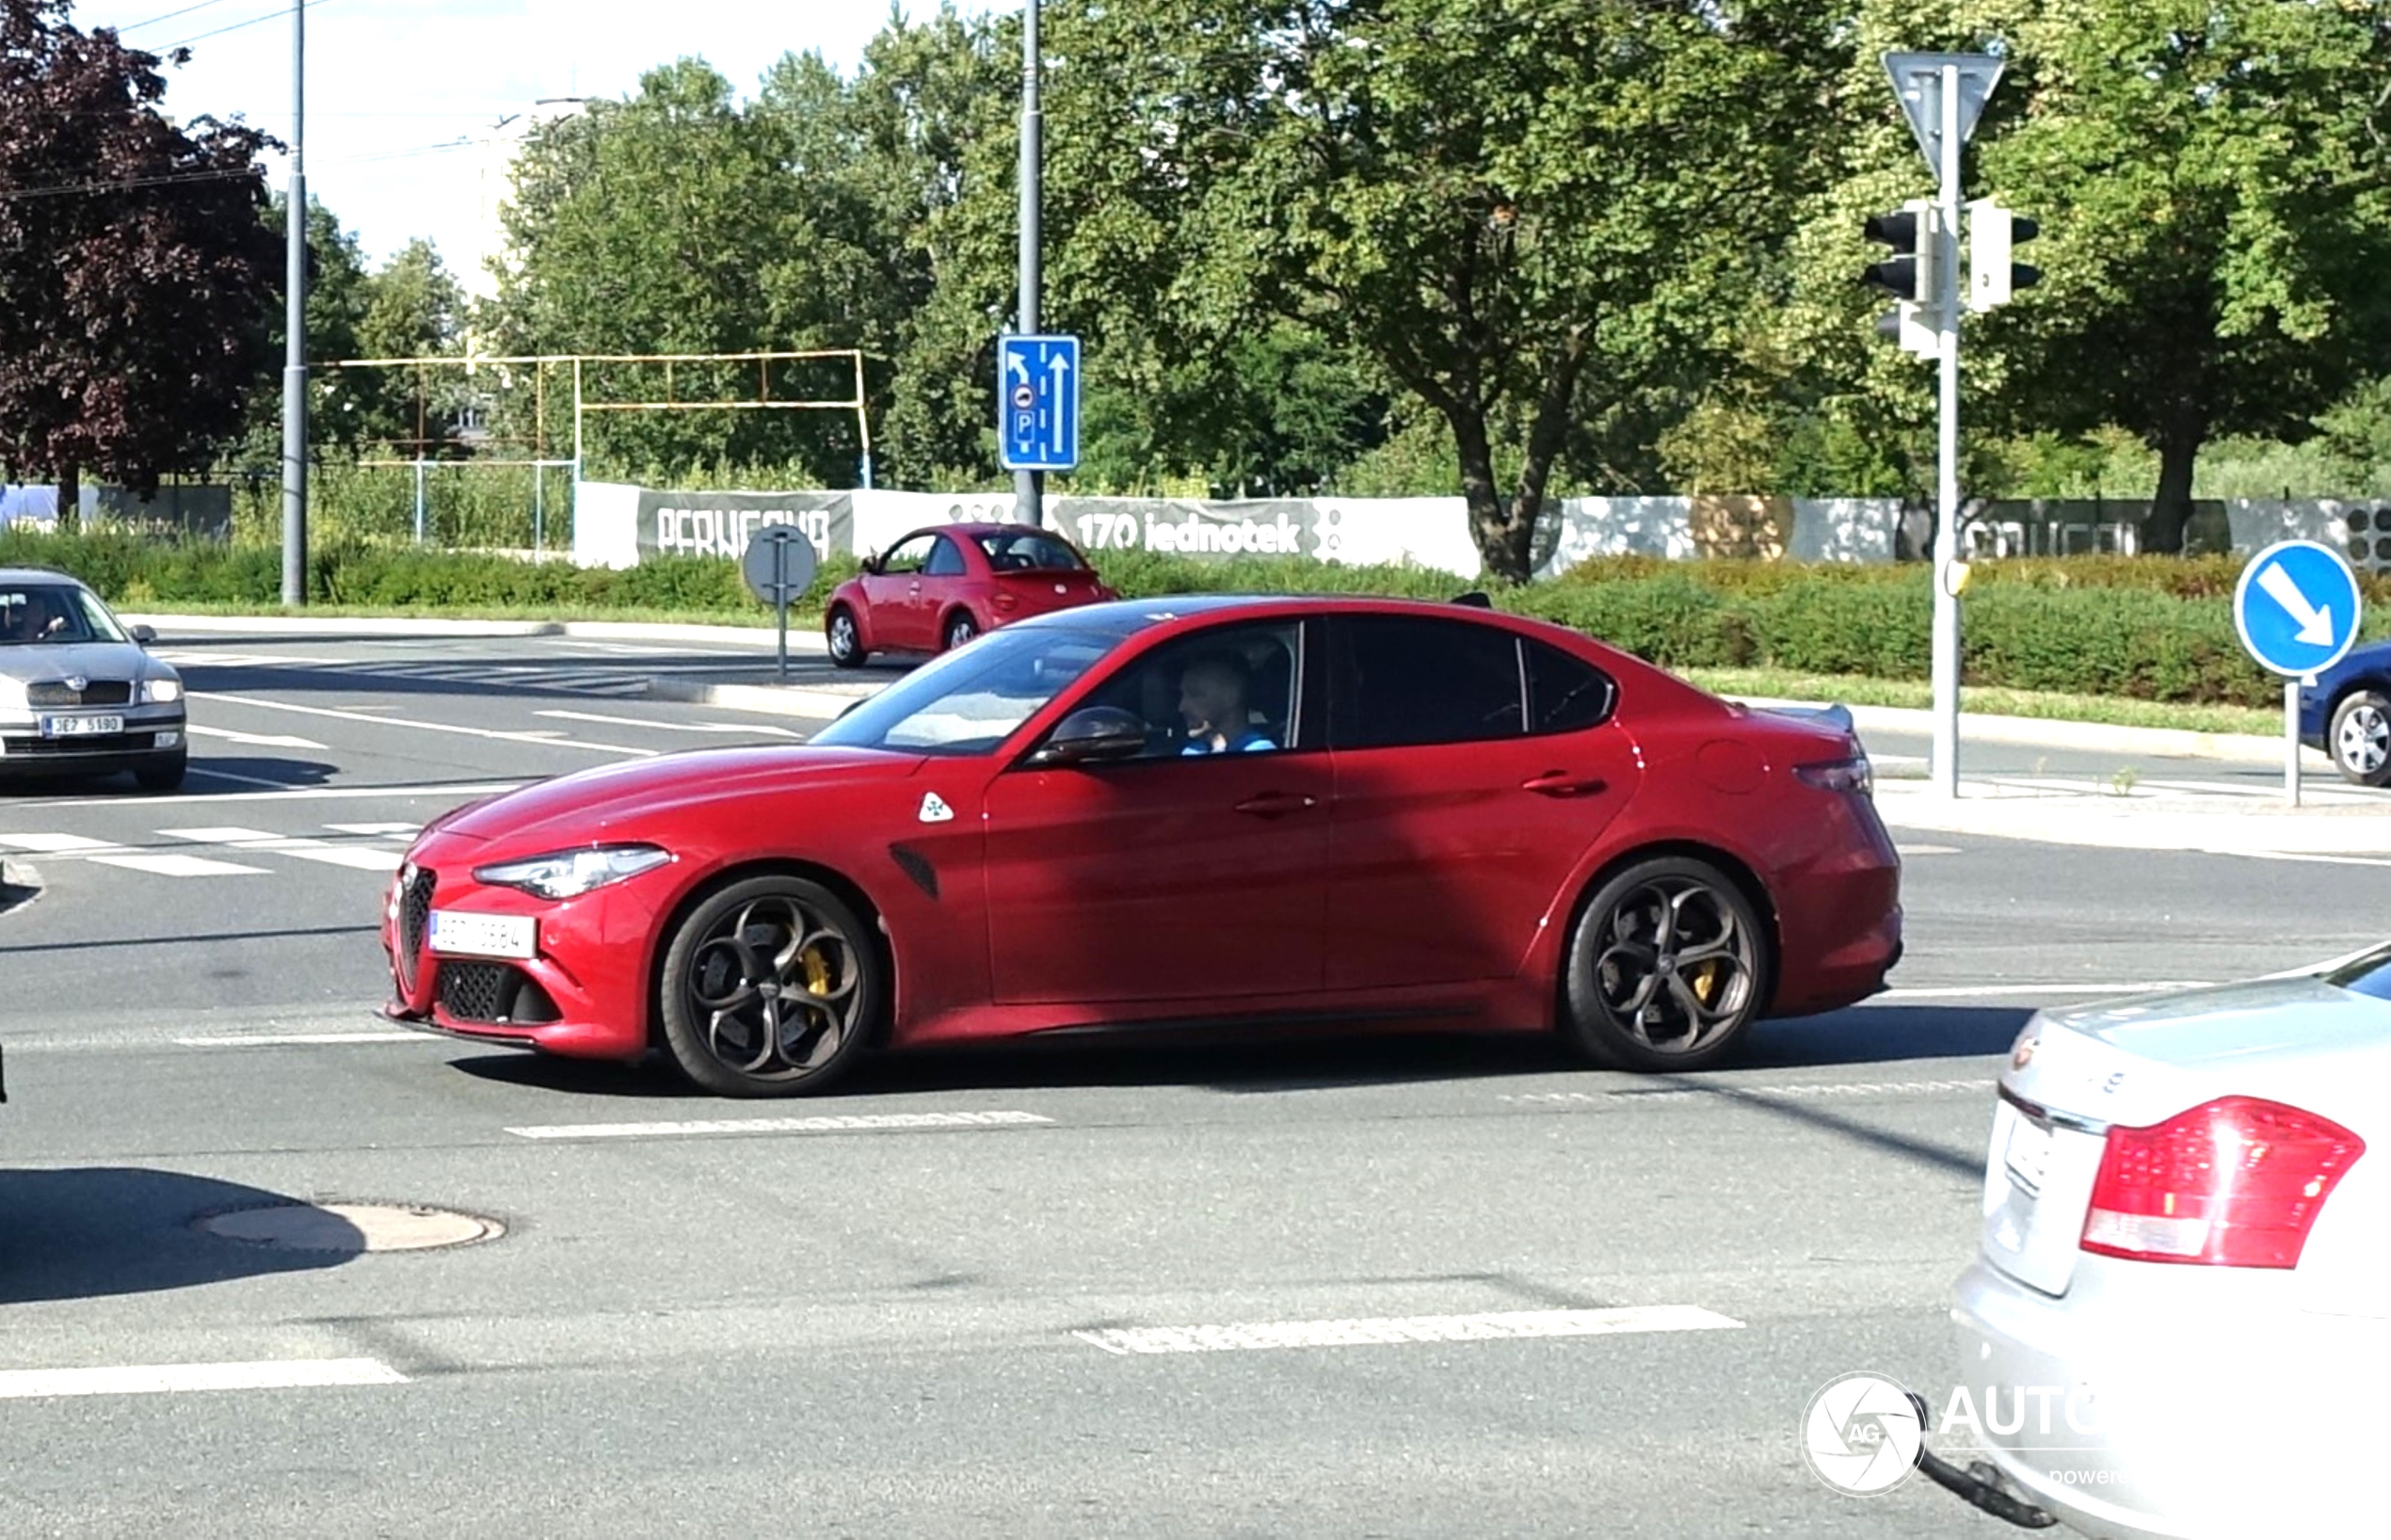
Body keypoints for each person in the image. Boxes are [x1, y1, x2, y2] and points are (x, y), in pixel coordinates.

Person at [1177, 650, 1276, 754]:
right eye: (1183, 695)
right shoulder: (1192, 751)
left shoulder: (1261, 755)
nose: (1181, 707)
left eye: (1195, 694)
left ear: (1231, 697)